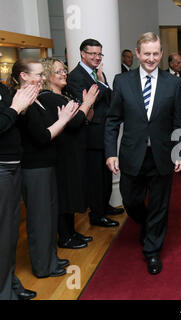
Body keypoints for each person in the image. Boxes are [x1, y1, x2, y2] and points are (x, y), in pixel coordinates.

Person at [105, 32, 181, 275]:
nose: (151, 58)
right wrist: (111, 152)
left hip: (162, 155)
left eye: (155, 53)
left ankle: (152, 251)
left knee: (160, 205)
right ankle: (148, 223)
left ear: (161, 55)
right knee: (130, 201)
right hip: (132, 154)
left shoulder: (172, 83)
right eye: (146, 53)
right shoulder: (122, 81)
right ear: (138, 54)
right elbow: (112, 120)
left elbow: (180, 120)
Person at [17, 58, 81, 278]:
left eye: (42, 75)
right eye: (38, 74)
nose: (42, 78)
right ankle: (43, 267)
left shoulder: (35, 100)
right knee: (40, 220)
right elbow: (43, 137)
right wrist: (63, 119)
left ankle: (51, 259)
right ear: (23, 76)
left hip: (47, 165)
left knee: (49, 217)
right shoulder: (23, 102)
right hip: (34, 168)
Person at [40, 58, 98, 250]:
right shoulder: (48, 97)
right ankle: (64, 237)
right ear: (48, 74)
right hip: (62, 154)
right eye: (58, 71)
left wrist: (86, 108)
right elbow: (72, 123)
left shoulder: (64, 95)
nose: (64, 74)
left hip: (73, 152)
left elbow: (82, 120)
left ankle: (71, 232)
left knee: (71, 193)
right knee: (64, 195)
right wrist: (87, 102)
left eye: (64, 70)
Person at [67, 38, 122, 229]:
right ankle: (97, 215)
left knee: (105, 175)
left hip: (104, 132)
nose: (97, 57)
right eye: (93, 54)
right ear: (83, 54)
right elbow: (89, 102)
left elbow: (112, 99)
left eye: (100, 54)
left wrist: (103, 83)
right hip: (90, 135)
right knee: (95, 178)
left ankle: (104, 207)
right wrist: (102, 85)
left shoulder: (97, 74)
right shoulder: (75, 76)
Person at [1, 62, 40, 300]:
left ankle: (9, 282)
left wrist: (22, 108)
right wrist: (16, 108)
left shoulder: (4, 90)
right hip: (3, 169)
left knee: (10, 233)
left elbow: (14, 123)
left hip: (13, 165)